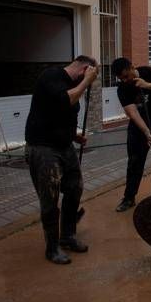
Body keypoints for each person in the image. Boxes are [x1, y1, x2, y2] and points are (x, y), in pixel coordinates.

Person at [25, 55, 99, 264]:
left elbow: (59, 113)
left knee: (75, 188)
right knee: (50, 198)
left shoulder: (72, 84)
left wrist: (74, 134)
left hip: (65, 146)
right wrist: (87, 82)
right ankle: (52, 247)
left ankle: (67, 236)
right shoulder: (51, 76)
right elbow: (65, 100)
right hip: (43, 148)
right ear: (84, 69)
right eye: (90, 75)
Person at [112, 57, 151, 213]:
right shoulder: (122, 88)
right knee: (135, 162)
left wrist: (147, 85)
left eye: (126, 76)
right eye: (121, 79)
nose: (125, 80)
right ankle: (129, 198)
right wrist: (146, 132)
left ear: (132, 67)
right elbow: (132, 112)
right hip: (140, 129)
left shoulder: (147, 72)